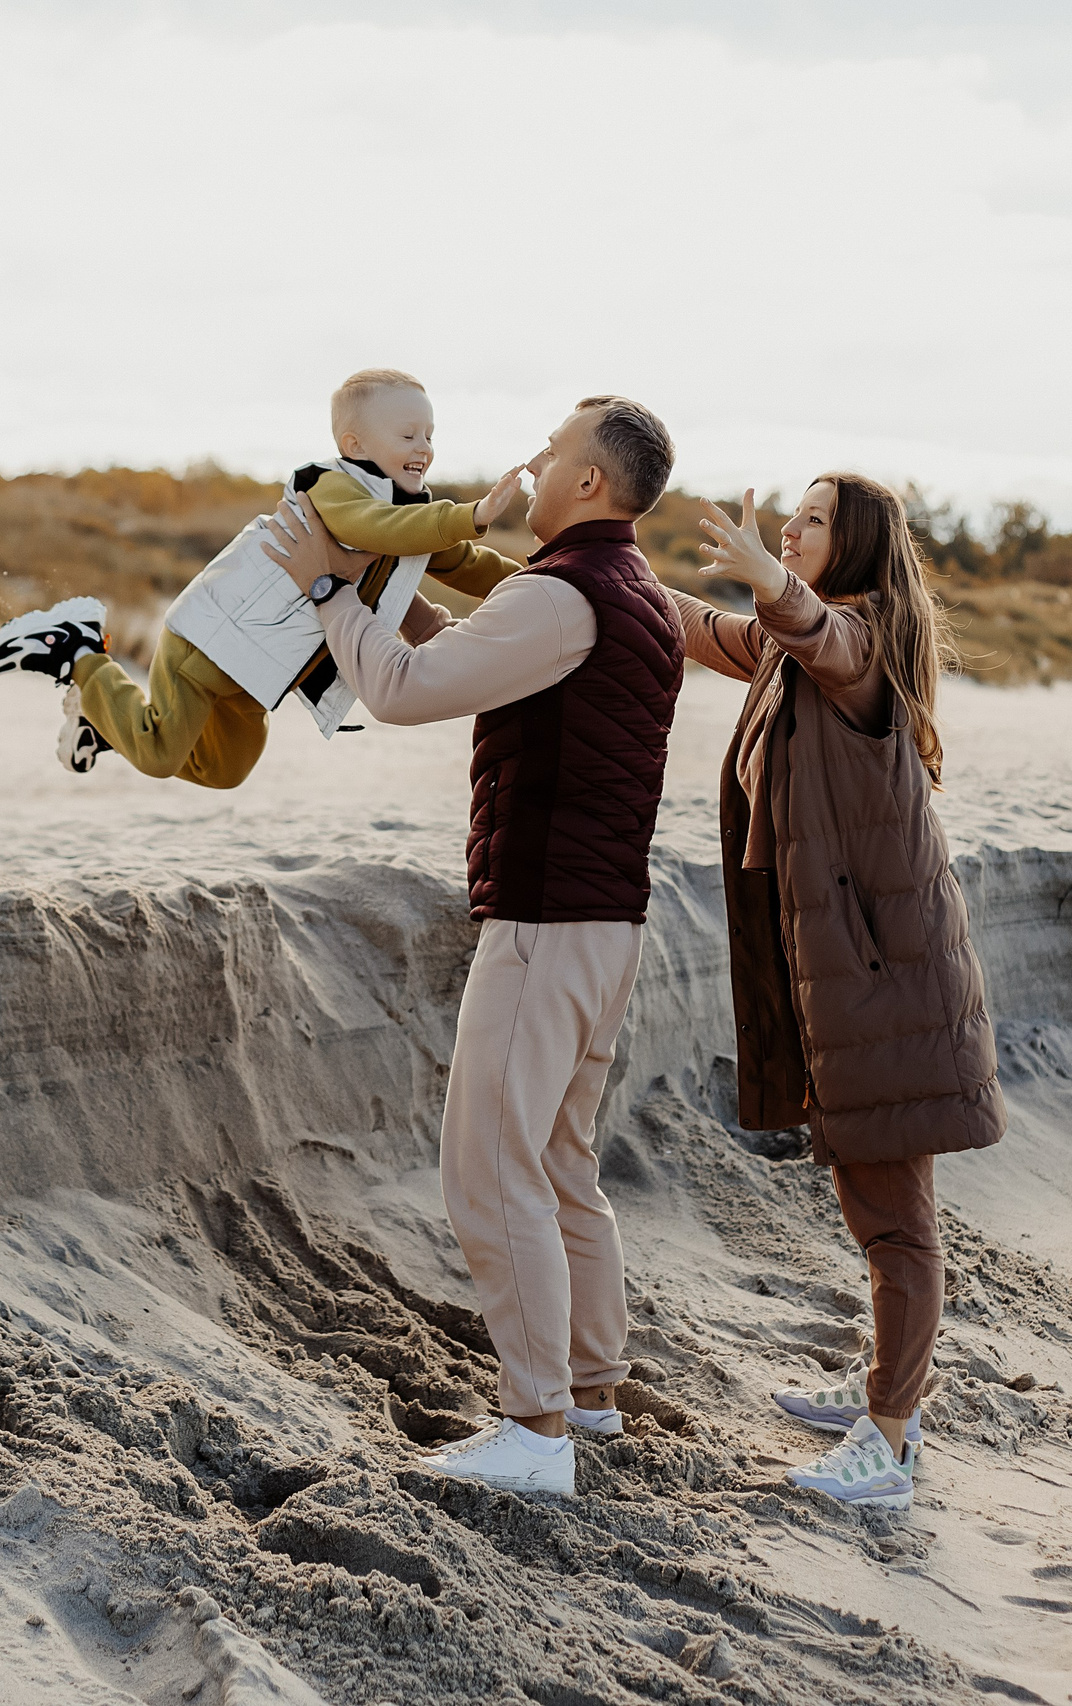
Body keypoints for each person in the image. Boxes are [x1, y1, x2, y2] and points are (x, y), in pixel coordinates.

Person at [263, 396, 684, 1497]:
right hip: (605, 928)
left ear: (589, 483)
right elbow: (482, 660)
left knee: (490, 1170)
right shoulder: (630, 592)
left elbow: (398, 694)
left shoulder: (561, 592)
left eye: (554, 452)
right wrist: (390, 606)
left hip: (544, 927)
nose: (534, 463)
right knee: (558, 1166)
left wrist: (326, 588)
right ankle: (587, 1397)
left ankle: (537, 1427)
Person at [676, 473, 1006, 1512]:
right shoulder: (787, 654)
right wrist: (578, 569)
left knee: (896, 1218)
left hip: (886, 977)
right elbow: (698, 624)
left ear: (851, 547)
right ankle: (882, 1394)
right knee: (874, 1208)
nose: (790, 526)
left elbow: (820, 633)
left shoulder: (859, 648)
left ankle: (892, 1441)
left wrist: (771, 577)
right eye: (793, 516)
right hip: (852, 972)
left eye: (811, 520)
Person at [0, 368, 523, 784]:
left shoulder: (412, 519)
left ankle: (106, 726)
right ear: (355, 445)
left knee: (224, 769)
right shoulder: (333, 487)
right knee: (163, 754)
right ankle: (80, 654)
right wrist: (469, 516)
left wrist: (542, 577)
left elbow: (465, 562)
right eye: (408, 436)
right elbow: (376, 526)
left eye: (429, 435)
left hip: (256, 672)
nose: (424, 448)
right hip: (208, 644)